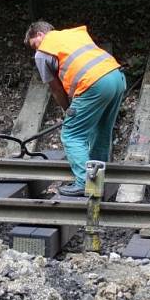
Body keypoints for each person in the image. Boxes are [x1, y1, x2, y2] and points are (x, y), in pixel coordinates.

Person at [24, 22, 126, 196]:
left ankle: (85, 182)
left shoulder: (42, 53)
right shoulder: (73, 35)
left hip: (94, 84)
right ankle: (97, 183)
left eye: (34, 44)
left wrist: (67, 109)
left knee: (71, 134)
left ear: (40, 34)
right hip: (116, 77)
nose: (36, 50)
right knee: (100, 131)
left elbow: (55, 89)